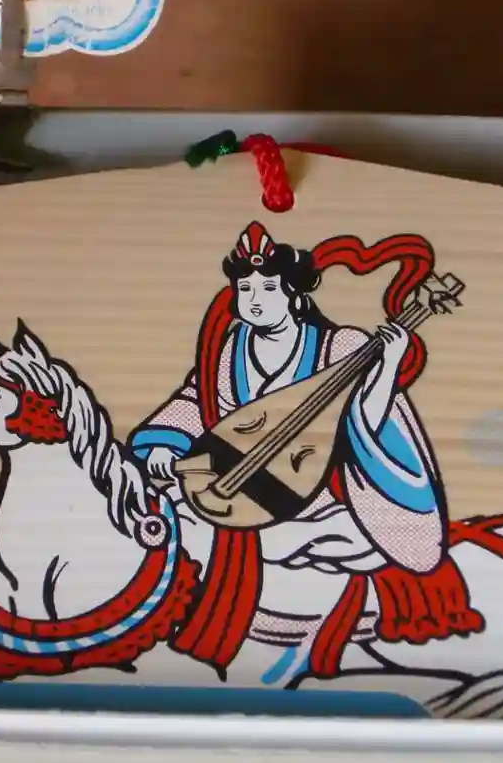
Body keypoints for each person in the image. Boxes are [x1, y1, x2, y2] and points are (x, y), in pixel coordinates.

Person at [129, 222, 449, 594]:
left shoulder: (339, 346)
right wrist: (165, 445)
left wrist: (389, 364)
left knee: (310, 540)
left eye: (268, 288)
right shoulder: (232, 348)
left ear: (293, 293)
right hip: (230, 476)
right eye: (245, 289)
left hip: (308, 492)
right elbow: (197, 399)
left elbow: (364, 423)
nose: (255, 300)